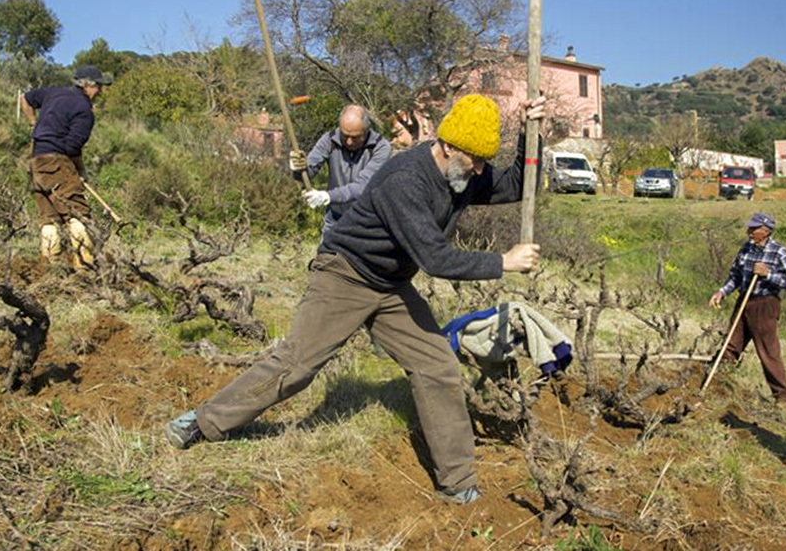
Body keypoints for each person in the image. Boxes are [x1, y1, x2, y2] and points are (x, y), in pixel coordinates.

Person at [165, 94, 546, 505]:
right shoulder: (406, 178)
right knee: (297, 365)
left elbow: (515, 185)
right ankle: (203, 423)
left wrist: (530, 134)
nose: (480, 170)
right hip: (344, 273)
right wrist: (502, 262)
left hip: (390, 285)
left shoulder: (464, 174)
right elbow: (435, 258)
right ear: (449, 145)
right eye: (474, 159)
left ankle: (456, 483)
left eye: (484, 161)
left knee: (437, 367)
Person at [20, 65, 111, 269]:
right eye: (98, 86)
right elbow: (72, 148)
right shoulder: (84, 111)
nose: (100, 91)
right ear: (86, 85)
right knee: (78, 213)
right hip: (56, 161)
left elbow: (25, 99)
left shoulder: (54, 92)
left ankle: (52, 268)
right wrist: (80, 171)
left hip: (36, 161)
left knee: (49, 217)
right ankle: (85, 266)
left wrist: (33, 124)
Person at [708, 211, 786, 404]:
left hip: (765, 305)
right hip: (744, 301)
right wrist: (722, 292)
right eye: (750, 228)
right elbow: (734, 276)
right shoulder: (746, 249)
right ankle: (717, 382)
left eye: (753, 228)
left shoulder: (778, 252)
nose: (749, 231)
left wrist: (768, 275)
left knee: (768, 352)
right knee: (731, 344)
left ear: (765, 231)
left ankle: (783, 398)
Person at [293, 105, 391, 235]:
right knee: (326, 255)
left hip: (368, 224)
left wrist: (328, 196)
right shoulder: (329, 140)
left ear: (366, 131)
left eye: (355, 137)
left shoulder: (381, 147)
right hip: (335, 221)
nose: (349, 142)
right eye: (345, 135)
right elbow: (308, 174)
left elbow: (363, 186)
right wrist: (299, 168)